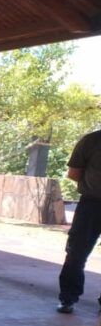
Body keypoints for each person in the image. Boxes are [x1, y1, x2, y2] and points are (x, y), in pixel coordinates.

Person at [57, 128, 101, 313]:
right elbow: (73, 173)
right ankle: (68, 298)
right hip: (91, 204)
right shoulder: (91, 141)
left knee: (77, 253)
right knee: (76, 252)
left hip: (92, 201)